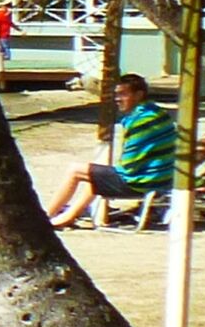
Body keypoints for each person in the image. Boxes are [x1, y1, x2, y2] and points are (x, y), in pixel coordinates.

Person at [46, 75, 179, 227]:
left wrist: (110, 170)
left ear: (138, 95)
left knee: (75, 170)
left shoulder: (139, 122)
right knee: (96, 175)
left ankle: (46, 216)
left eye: (123, 94)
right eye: (116, 94)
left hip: (142, 182)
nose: (118, 99)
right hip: (163, 179)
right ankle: (67, 216)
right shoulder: (159, 113)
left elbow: (129, 165)